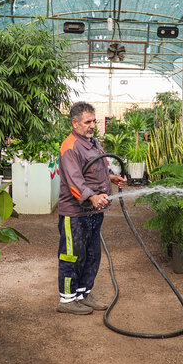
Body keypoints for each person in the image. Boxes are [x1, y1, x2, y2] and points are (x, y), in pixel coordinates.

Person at [56, 102, 127, 315]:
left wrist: (112, 177)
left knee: (92, 254)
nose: (92, 125)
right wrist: (92, 197)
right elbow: (74, 182)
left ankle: (83, 294)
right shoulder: (70, 146)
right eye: (87, 122)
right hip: (75, 214)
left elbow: (97, 168)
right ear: (74, 123)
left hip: (94, 212)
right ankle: (67, 300)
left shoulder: (92, 143)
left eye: (93, 121)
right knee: (72, 255)